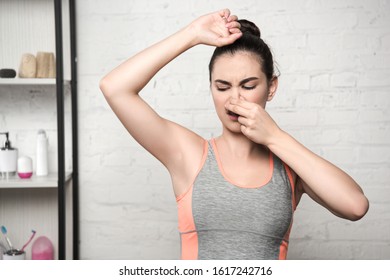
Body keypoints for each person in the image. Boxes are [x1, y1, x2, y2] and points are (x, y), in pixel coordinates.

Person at [100, 9, 369, 260]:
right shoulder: (190, 154)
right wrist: (192, 34)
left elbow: (355, 206)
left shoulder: (290, 165)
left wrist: (274, 136)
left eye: (248, 85)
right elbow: (114, 87)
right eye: (222, 87)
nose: (233, 100)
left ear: (271, 87)